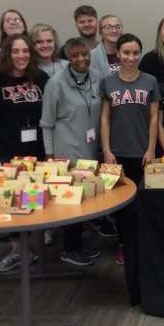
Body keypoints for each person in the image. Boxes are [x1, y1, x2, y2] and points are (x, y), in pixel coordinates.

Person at [0, 33, 49, 273]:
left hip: (36, 153)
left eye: (25, 51)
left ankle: (33, 248)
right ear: (8, 53)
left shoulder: (40, 78)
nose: (21, 56)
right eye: (16, 51)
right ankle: (18, 249)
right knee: (10, 204)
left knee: (33, 201)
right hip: (5, 153)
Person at [41, 37, 103, 267]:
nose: (81, 59)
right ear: (68, 57)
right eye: (75, 55)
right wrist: (50, 156)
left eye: (84, 54)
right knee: (71, 202)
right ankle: (69, 249)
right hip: (66, 152)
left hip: (90, 149)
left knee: (86, 201)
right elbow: (46, 123)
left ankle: (78, 244)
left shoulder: (97, 77)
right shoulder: (55, 83)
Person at [100, 33, 160, 267]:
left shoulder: (150, 81)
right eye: (126, 53)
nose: (131, 57)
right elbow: (104, 119)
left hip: (143, 153)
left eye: (135, 53)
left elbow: (155, 118)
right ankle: (125, 246)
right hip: (116, 153)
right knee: (121, 207)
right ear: (119, 55)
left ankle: (144, 246)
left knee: (142, 205)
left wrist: (151, 149)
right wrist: (106, 151)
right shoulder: (108, 82)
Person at [91, 14, 124, 78]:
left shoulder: (129, 53)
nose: (114, 31)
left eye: (117, 27)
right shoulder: (92, 57)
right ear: (100, 32)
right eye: (108, 27)